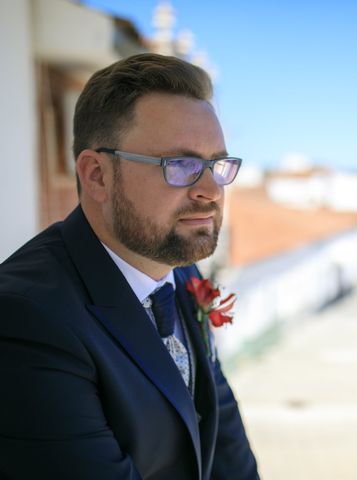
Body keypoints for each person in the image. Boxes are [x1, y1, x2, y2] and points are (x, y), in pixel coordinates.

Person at [0, 53, 259, 479]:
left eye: (216, 164)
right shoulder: (28, 319)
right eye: (182, 165)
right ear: (97, 175)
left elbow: (221, 425)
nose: (211, 190)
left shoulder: (179, 267)